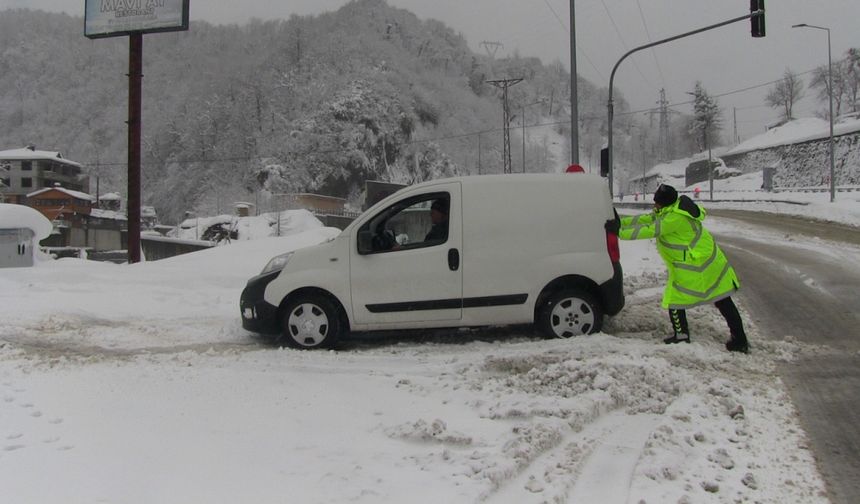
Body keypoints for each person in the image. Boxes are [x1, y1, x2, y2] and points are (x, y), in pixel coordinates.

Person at [613, 184, 749, 353]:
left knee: (676, 300)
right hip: (704, 263)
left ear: (665, 203)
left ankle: (683, 335)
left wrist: (618, 232)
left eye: (657, 203)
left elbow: (650, 230)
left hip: (698, 266)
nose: (654, 206)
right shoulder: (670, 210)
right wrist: (620, 222)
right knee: (722, 300)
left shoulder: (675, 218)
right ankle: (739, 339)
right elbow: (646, 219)